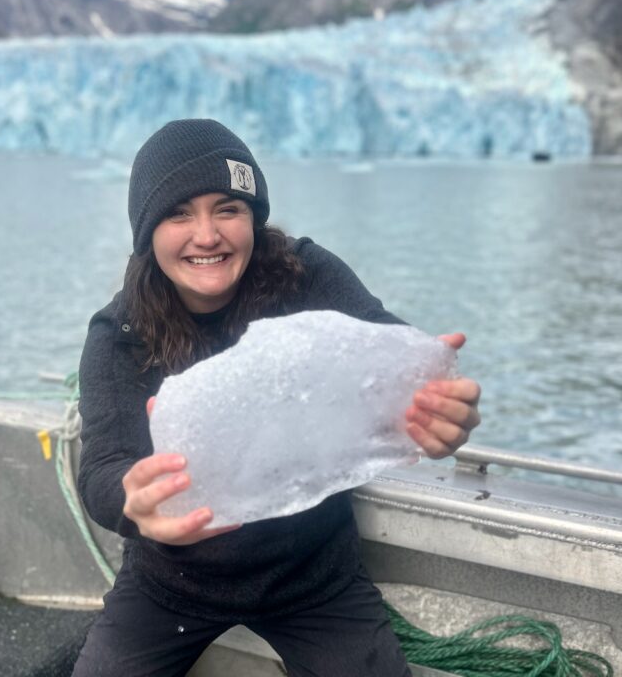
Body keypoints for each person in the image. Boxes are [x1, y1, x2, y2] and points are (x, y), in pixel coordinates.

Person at [73, 119, 481, 677]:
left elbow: (390, 358)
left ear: (253, 218)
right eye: (178, 214)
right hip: (170, 583)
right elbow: (100, 467)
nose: (207, 234)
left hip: (313, 577)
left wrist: (437, 408)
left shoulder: (307, 277)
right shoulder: (120, 333)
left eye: (228, 208)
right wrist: (132, 500)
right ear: (148, 233)